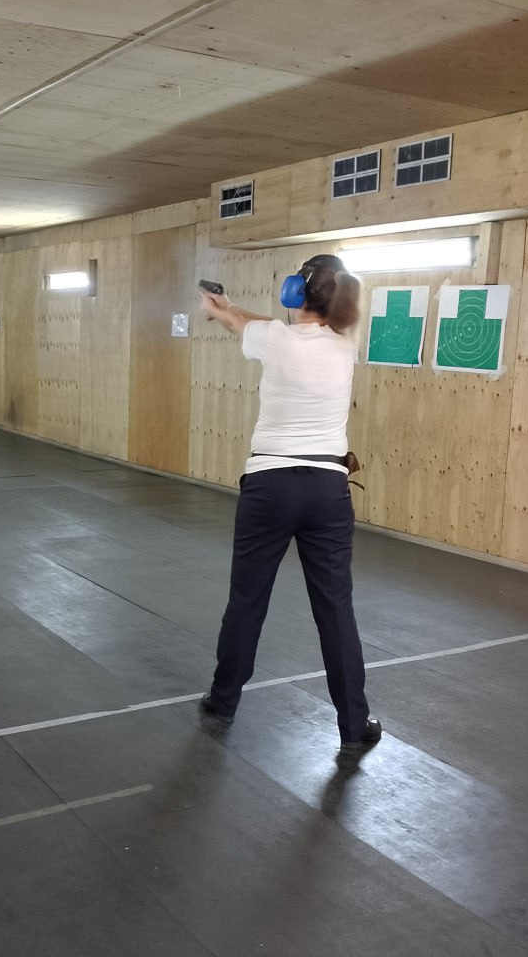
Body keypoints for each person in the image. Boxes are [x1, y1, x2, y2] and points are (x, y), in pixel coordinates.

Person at [196, 255, 381, 759]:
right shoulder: (345, 345)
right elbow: (269, 325)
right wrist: (231, 308)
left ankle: (224, 699)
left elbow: (247, 325)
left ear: (296, 292)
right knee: (335, 608)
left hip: (270, 486)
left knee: (248, 598)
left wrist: (221, 308)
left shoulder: (273, 338)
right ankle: (353, 722)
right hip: (327, 490)